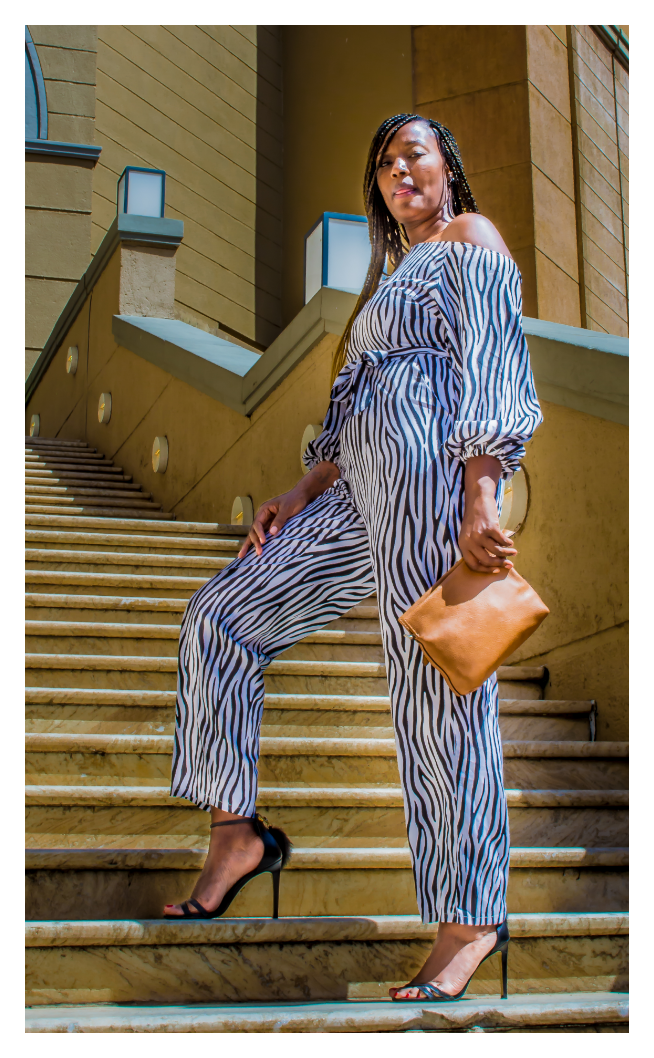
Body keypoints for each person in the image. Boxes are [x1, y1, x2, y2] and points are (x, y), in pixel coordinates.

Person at [164, 112, 542, 1002]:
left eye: (414, 153)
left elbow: (494, 361)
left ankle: (470, 917)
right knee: (221, 618)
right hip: (352, 494)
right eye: (383, 163)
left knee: (436, 692)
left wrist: (480, 492)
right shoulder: (389, 280)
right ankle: (236, 834)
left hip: (429, 481)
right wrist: (303, 490)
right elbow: (349, 411)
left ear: (447, 165)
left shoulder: (469, 238)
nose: (398, 170)